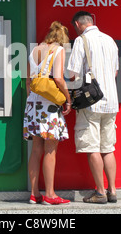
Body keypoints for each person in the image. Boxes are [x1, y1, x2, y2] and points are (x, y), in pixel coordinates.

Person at [67, 11, 119, 204]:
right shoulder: (110, 40)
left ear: (77, 24)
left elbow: (72, 73)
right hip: (111, 101)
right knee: (108, 148)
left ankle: (100, 192)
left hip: (90, 103)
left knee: (92, 147)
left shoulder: (82, 41)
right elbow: (114, 72)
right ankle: (112, 190)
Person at [23, 21, 72, 205]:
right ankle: (50, 195)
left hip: (32, 104)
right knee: (50, 150)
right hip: (49, 106)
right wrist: (67, 98)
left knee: (36, 149)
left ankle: (34, 194)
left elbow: (28, 81)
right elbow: (58, 78)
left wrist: (33, 98)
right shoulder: (58, 50)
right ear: (62, 39)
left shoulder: (34, 50)